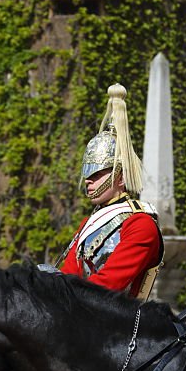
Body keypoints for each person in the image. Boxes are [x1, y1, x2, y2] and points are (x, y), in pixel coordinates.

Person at [56, 84, 163, 299]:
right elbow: (69, 274)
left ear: (121, 177)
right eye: (87, 174)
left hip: (120, 324)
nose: (88, 181)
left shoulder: (140, 224)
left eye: (97, 174)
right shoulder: (91, 221)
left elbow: (107, 286)